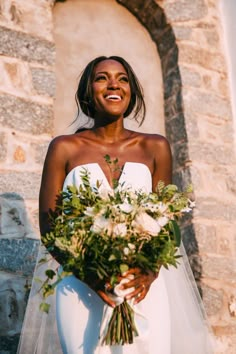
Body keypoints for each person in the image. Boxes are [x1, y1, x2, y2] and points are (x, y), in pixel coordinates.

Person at [18, 56, 214, 354]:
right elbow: (50, 227)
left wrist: (148, 273)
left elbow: (167, 221)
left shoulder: (155, 147)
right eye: (102, 78)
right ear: (88, 91)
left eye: (122, 79)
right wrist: (91, 275)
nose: (113, 84)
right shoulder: (64, 148)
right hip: (80, 286)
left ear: (131, 92)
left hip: (141, 285)